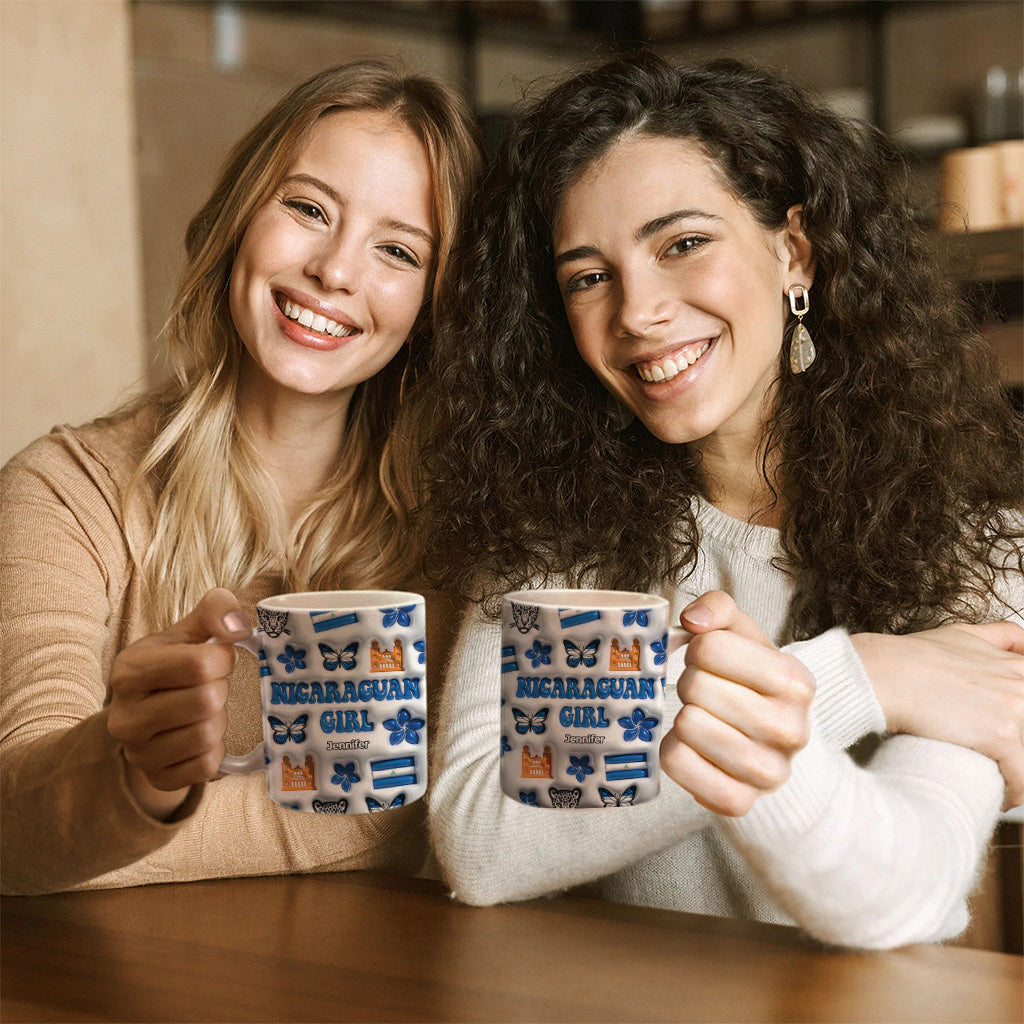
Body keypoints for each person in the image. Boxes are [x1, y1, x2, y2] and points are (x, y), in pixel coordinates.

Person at [413, 53, 1024, 949]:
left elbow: (900, 892)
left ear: (794, 252)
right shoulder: (552, 540)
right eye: (588, 276)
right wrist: (858, 677)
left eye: (682, 244)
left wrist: (771, 695)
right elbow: (481, 844)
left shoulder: (978, 546)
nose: (637, 311)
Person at [0, 60, 482, 895]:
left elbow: (416, 809)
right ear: (238, 220)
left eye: (397, 250)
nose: (335, 270)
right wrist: (137, 776)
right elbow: (16, 824)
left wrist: (124, 830)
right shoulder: (65, 492)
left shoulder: (459, 533)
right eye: (307, 209)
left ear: (434, 304)